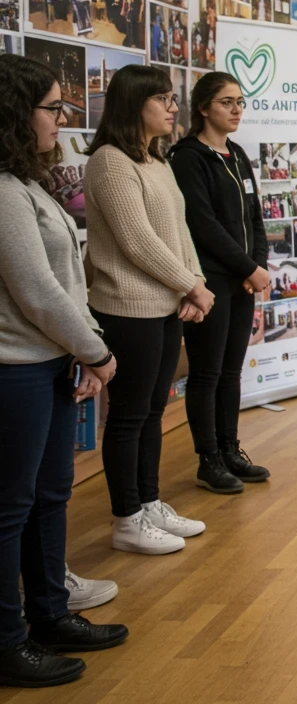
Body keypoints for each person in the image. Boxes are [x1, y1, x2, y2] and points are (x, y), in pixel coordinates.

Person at [0, 55, 128, 688]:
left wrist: (82, 347)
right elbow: (38, 292)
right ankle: (7, 640)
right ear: (16, 113)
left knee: (52, 496)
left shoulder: (26, 184)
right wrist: (98, 352)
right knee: (11, 508)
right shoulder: (1, 191)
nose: (61, 119)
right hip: (15, 369)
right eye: (52, 107)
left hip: (52, 359)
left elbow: (65, 283)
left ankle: (50, 613)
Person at [85, 65, 215, 554]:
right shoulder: (109, 162)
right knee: (129, 415)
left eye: (171, 98)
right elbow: (136, 241)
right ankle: (126, 519)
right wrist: (190, 286)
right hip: (126, 308)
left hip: (164, 306)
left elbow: (178, 234)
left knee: (154, 411)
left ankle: (149, 502)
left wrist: (193, 283)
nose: (172, 107)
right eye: (162, 98)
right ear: (134, 104)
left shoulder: (156, 161)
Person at [168, 72, 271, 496]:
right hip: (210, 282)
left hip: (243, 279)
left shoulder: (237, 154)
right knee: (207, 373)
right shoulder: (188, 157)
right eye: (227, 102)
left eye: (240, 102)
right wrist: (247, 267)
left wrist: (257, 263)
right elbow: (203, 225)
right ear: (204, 107)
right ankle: (208, 458)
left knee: (231, 372)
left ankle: (231, 450)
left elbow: (254, 217)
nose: (236, 110)